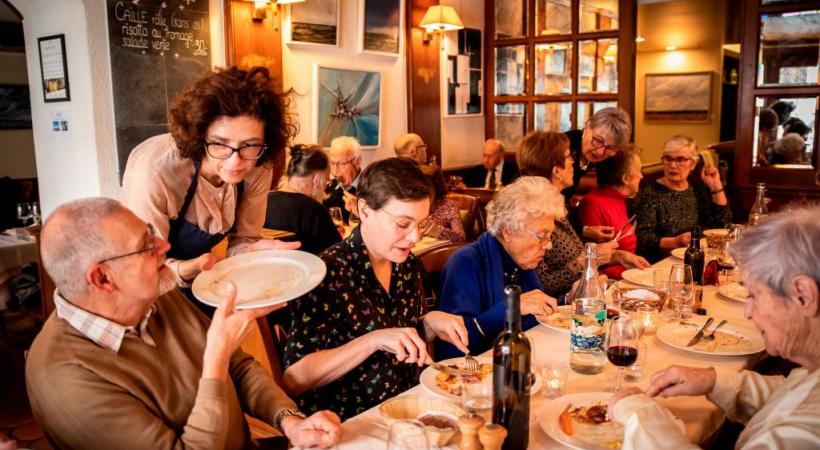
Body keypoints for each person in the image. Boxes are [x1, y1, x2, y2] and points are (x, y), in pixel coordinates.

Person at [26, 198, 341, 450]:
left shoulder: (156, 295)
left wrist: (290, 421)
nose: (164, 247)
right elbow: (221, 365)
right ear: (103, 278)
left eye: (153, 233)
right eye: (147, 245)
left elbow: (239, 368)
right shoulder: (66, 376)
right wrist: (215, 357)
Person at [608, 204, 820, 449]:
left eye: (754, 295)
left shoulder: (805, 433)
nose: (748, 312)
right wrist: (715, 381)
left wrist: (640, 415)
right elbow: (792, 396)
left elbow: (798, 417)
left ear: (803, 296)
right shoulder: (811, 372)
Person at [282, 158, 469, 420]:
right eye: (403, 224)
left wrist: (429, 322)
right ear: (365, 210)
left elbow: (403, 336)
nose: (415, 237)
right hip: (350, 423)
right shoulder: (327, 272)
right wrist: (373, 340)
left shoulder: (407, 264)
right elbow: (295, 379)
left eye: (421, 224)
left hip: (409, 410)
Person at [121, 66, 300, 291]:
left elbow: (243, 239)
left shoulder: (259, 163)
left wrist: (250, 252)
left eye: (249, 145)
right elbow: (143, 269)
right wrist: (190, 268)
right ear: (199, 135)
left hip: (203, 274)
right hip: (145, 285)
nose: (235, 162)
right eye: (219, 144)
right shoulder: (155, 172)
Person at [436, 177, 562, 358]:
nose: (548, 245)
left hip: (522, 362)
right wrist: (512, 307)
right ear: (508, 231)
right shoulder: (466, 263)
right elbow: (455, 346)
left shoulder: (520, 262)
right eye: (542, 236)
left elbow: (534, 320)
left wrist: (568, 299)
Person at [516, 131, 619, 298]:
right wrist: (588, 260)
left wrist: (615, 257)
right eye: (568, 156)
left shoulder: (556, 204)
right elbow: (539, 285)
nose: (573, 161)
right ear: (556, 170)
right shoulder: (533, 213)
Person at [634, 135, 731, 262]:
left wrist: (716, 185)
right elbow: (642, 238)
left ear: (693, 164)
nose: (673, 165)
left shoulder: (696, 189)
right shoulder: (651, 192)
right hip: (661, 262)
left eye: (680, 160)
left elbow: (721, 226)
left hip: (694, 258)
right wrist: (675, 242)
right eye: (668, 158)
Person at [579, 145, 650, 279]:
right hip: (613, 282)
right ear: (626, 179)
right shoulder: (593, 203)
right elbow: (594, 264)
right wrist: (634, 276)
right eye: (639, 171)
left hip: (629, 274)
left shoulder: (619, 199)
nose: (641, 176)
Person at [265, 145, 341, 255]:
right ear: (317, 180)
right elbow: (337, 255)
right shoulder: (314, 211)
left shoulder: (265, 201)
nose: (325, 186)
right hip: (305, 271)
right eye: (326, 180)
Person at [563, 107, 632, 200]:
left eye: (610, 147)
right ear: (587, 126)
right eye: (598, 140)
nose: (600, 152)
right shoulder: (563, 147)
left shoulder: (601, 156)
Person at [420, 165, 466, 242]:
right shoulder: (413, 206)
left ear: (436, 187)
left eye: (426, 189)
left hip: (440, 252)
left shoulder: (450, 207)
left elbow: (461, 238)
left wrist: (437, 231)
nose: (421, 194)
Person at [323, 136, 362, 223]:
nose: (335, 171)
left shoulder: (373, 188)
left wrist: (358, 211)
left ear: (358, 162)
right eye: (332, 163)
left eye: (341, 164)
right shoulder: (327, 189)